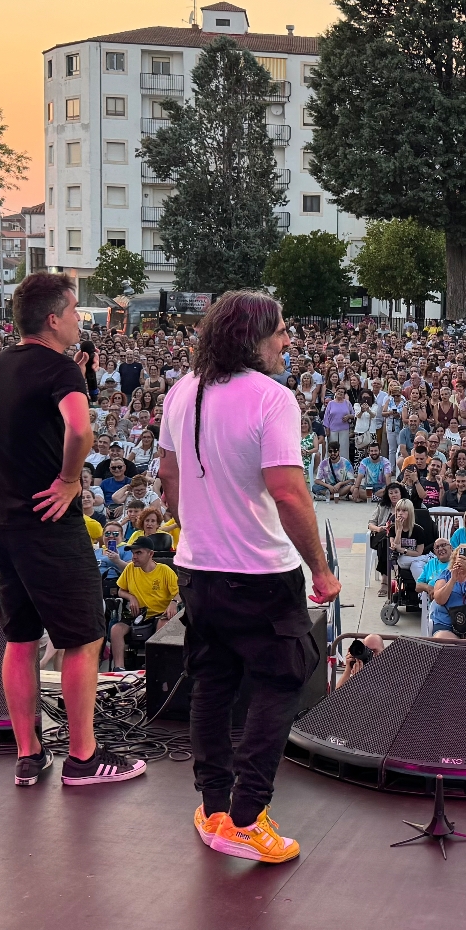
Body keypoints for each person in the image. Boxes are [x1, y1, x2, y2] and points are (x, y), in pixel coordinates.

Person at [159, 289, 339, 864]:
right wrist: (321, 568)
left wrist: (200, 526)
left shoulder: (182, 390)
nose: (288, 340)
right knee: (280, 681)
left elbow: (169, 477)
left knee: (211, 683)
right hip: (260, 571)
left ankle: (213, 807)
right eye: (281, 330)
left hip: (197, 567)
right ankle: (246, 815)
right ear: (253, 338)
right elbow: (289, 491)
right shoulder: (273, 398)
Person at [0, 272, 145, 788]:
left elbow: (38, 419)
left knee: (21, 638)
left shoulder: (0, 366)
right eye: (75, 310)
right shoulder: (58, 371)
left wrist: (77, 376)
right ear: (53, 319)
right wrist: (71, 479)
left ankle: (28, 756)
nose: (82, 317)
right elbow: (79, 427)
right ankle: (83, 757)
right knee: (83, 638)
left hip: (2, 521)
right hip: (49, 521)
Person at [109, 536, 181, 670]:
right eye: (133, 553)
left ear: (151, 554)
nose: (134, 557)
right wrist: (131, 597)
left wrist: (173, 602)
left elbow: (180, 591)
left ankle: (153, 667)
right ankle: (119, 668)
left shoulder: (164, 570)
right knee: (116, 630)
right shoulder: (130, 568)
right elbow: (120, 591)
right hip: (137, 615)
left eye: (138, 553)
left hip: (158, 614)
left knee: (163, 624)